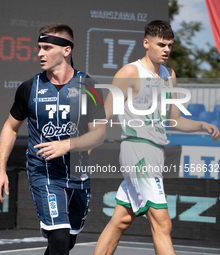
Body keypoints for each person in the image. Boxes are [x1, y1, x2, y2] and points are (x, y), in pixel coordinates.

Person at [93, 20, 220, 255]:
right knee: (163, 224)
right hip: (137, 151)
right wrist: (88, 140)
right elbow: (105, 114)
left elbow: (176, 120)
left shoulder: (169, 75)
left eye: (170, 45)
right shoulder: (130, 72)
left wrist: (202, 124)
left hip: (156, 153)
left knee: (120, 221)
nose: (167, 50)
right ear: (146, 43)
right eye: (161, 44)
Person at [0, 24, 106, 255]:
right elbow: (10, 127)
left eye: (46, 48)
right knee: (60, 238)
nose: (39, 53)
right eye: (39, 48)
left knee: (67, 241)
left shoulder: (88, 85)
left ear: (66, 50)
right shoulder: (29, 88)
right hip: (44, 173)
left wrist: (68, 144)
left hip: (78, 175)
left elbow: (99, 134)